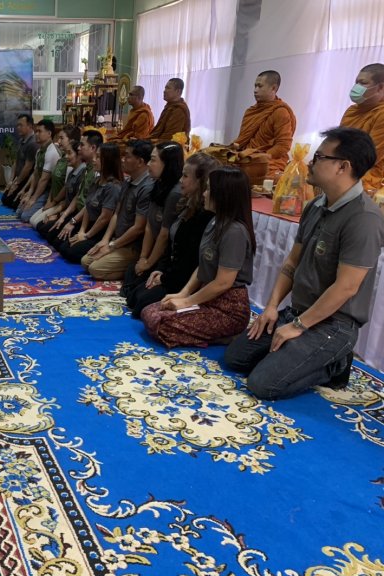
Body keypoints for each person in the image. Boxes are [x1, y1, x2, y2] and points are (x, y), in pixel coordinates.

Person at [225, 127, 384, 399]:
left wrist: (298, 327)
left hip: (334, 325)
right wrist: (272, 307)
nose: (311, 162)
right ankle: (297, 355)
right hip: (298, 311)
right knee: (236, 358)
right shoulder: (315, 206)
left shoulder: (364, 219)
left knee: (262, 384)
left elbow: (346, 287)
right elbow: (292, 261)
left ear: (342, 167)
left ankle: (335, 365)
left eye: (320, 157)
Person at [141, 167, 255, 348]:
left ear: (223, 195)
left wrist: (187, 302)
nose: (204, 194)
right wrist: (183, 293)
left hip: (227, 307)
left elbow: (223, 283)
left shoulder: (234, 232)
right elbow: (203, 265)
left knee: (161, 323)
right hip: (206, 296)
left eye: (208, 189)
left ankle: (228, 335)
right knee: (149, 311)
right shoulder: (215, 222)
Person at [126, 152, 220, 318]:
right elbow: (170, 245)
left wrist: (164, 279)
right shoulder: (186, 203)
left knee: (140, 303)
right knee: (132, 291)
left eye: (185, 176)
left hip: (184, 279)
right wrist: (160, 270)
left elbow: (191, 262)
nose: (180, 180)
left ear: (200, 181)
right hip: (171, 271)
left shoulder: (205, 215)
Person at [81, 139, 154, 280]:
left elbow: (138, 228)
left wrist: (112, 246)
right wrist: (105, 240)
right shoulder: (127, 181)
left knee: (95, 269)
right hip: (117, 239)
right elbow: (116, 214)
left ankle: (133, 271)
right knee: (86, 261)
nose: (123, 160)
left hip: (132, 245)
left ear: (140, 162)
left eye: (127, 156)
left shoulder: (147, 187)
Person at [121, 142, 184, 300]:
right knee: (131, 276)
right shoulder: (156, 184)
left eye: (153, 160)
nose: (149, 164)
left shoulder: (175, 193)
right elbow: (149, 226)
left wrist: (149, 263)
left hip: (165, 258)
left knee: (137, 298)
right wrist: (143, 258)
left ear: (167, 164)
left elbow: (164, 235)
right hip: (151, 253)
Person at [54, 143, 123, 263]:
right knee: (61, 245)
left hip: (100, 231)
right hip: (89, 225)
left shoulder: (113, 187)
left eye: (98, 157)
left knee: (70, 252)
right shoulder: (96, 180)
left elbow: (104, 218)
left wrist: (87, 236)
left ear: (108, 161)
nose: (94, 160)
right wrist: (82, 230)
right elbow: (88, 206)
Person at [38, 130, 103, 242]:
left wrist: (72, 222)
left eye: (82, 145)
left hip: (86, 218)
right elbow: (77, 196)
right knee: (43, 228)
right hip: (76, 213)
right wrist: (62, 216)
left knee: (56, 240)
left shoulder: (96, 172)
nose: (79, 148)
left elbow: (88, 205)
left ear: (93, 148)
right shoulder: (86, 169)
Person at [231, 70, 296, 175]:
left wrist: (260, 157)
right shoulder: (250, 111)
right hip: (245, 157)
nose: (255, 90)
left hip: (267, 160)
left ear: (273, 88)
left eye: (260, 86)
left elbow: (283, 145)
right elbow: (242, 140)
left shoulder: (280, 112)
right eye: (255, 86)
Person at [340, 63, 384, 192]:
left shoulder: (381, 114)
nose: (356, 87)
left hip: (367, 176)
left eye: (363, 83)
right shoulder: (352, 111)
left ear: (380, 87)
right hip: (341, 167)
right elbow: (338, 143)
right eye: (356, 82)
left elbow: (370, 156)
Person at [29, 126, 82, 228]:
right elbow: (52, 182)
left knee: (37, 224)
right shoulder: (62, 158)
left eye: (62, 138)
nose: (58, 141)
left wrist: (54, 203)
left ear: (71, 140)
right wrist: (49, 201)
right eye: (58, 138)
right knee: (33, 220)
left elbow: (66, 188)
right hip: (54, 200)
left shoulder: (72, 164)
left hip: (61, 203)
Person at [15, 119, 61, 222]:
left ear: (49, 134)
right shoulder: (40, 151)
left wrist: (33, 199)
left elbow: (44, 180)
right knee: (19, 212)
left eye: (39, 131)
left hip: (50, 191)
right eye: (36, 131)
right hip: (41, 188)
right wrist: (29, 193)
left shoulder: (52, 152)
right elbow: (35, 174)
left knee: (25, 216)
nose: (36, 134)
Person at [1, 114, 38, 209]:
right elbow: (16, 162)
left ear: (29, 126)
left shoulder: (33, 143)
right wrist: (11, 181)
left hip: (27, 181)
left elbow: (28, 167)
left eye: (21, 125)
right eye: (17, 125)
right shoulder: (21, 140)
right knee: (5, 199)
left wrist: (16, 183)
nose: (18, 128)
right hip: (18, 179)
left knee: (13, 204)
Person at [148, 78, 191, 142]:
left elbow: (169, 138)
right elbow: (158, 133)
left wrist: (147, 141)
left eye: (168, 88)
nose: (164, 91)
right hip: (159, 142)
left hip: (169, 146)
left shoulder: (179, 110)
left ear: (178, 91)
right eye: (165, 88)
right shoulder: (169, 107)